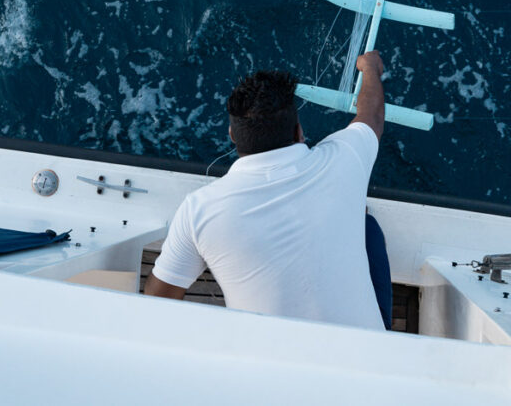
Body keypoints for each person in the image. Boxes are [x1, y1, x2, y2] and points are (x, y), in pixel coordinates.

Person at [145, 51, 391, 330]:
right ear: (299, 131)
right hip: (369, 351)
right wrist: (370, 67)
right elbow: (372, 115)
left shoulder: (198, 209)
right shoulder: (344, 159)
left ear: (232, 135)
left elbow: (158, 299)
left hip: (265, 358)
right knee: (366, 224)